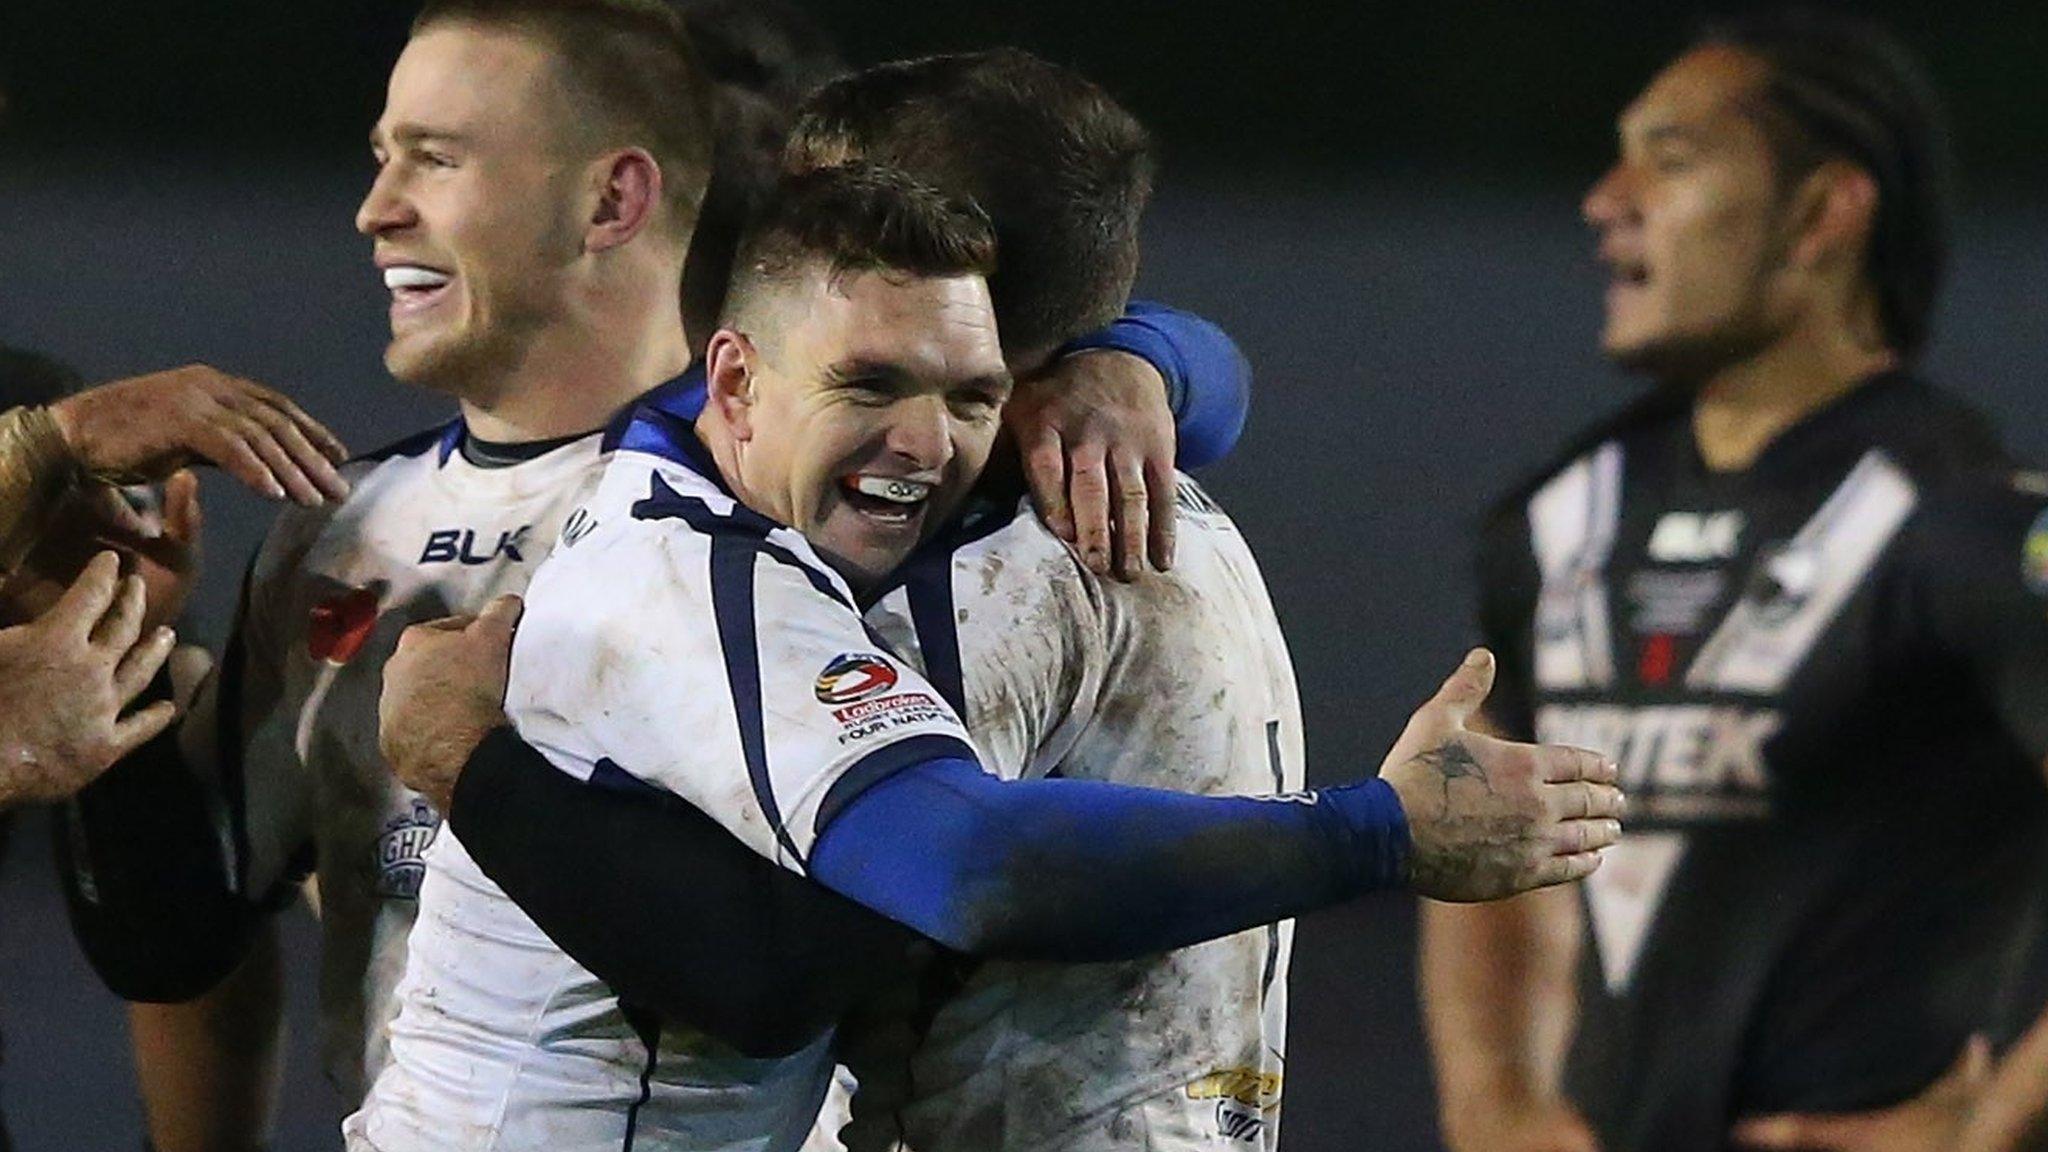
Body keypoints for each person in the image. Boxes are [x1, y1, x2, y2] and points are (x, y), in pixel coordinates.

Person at [58, 5, 1262, 1152]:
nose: (374, 208)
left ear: (612, 197)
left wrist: (1135, 355)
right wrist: (107, 651)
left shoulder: (839, 515)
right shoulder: (346, 531)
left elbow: (776, 963)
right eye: (382, 156)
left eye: (435, 158)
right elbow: (171, 939)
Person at [352, 154, 1622, 1151]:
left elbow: (762, 965)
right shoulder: (704, 575)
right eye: (870, 386)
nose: (923, 442)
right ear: (734, 380)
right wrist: (1377, 832)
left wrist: (1143, 361)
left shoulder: (732, 451)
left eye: (970, 396)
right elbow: (913, 895)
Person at [1419, 12, 2048, 1152]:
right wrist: (1494, 1105)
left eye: (1667, 160)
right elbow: (1478, 809)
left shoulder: (1963, 519)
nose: (1603, 199)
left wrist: (1992, 1127)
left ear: (1820, 213)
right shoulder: (1558, 517)